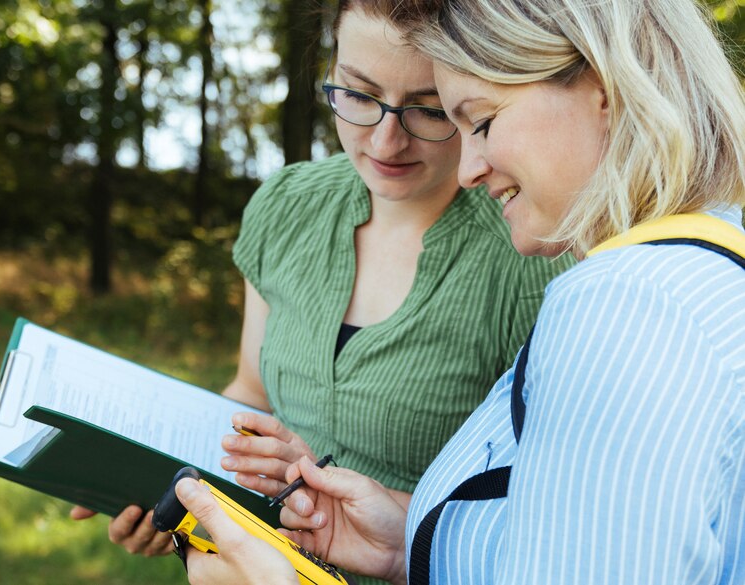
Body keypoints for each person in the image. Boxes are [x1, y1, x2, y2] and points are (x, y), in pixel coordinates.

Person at [168, 0, 745, 583]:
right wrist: (405, 549)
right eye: (359, 94)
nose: (469, 169)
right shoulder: (701, 271)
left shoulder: (627, 312)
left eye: (480, 121)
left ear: (606, 89)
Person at [70, 0, 572, 572]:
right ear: (330, 71)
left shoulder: (531, 255)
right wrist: (163, 485)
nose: (385, 143)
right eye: (358, 95)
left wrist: (393, 530)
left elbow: (544, 511)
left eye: (429, 111)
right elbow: (251, 393)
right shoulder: (286, 205)